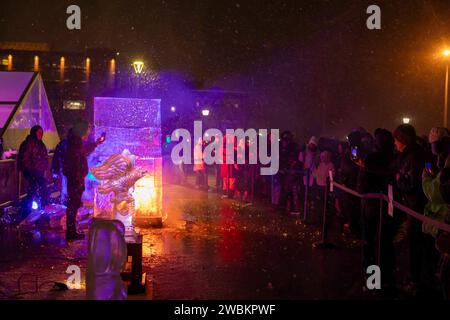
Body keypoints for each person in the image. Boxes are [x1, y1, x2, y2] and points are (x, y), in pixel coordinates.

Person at [358, 129, 397, 290]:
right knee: (385, 243)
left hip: (372, 205)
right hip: (388, 206)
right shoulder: (393, 158)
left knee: (370, 243)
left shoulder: (371, 159)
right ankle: (386, 278)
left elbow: (362, 185)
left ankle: (373, 281)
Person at [393, 124, 427, 294]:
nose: (395, 143)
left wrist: (399, 179)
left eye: (396, 139)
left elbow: (413, 185)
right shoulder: (411, 154)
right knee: (414, 244)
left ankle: (415, 281)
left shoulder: (413, 156)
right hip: (412, 206)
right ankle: (414, 277)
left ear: (403, 139)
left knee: (415, 244)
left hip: (415, 206)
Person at [63, 120, 105, 241]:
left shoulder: (76, 143)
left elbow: (83, 152)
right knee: (73, 205)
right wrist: (77, 178)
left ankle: (71, 231)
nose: (89, 133)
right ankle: (70, 232)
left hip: (76, 179)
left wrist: (96, 143)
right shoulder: (75, 144)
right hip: (75, 180)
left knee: (74, 205)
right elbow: (73, 163)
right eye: (87, 130)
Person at [18, 125, 49, 216]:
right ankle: (26, 212)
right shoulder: (29, 143)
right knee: (33, 192)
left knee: (39, 190)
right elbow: (24, 158)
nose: (40, 134)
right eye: (38, 132)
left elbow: (43, 157)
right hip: (32, 173)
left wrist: (43, 167)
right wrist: (30, 169)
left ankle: (42, 209)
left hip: (39, 172)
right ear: (34, 132)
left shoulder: (40, 143)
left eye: (41, 133)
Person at [52, 129, 73, 206]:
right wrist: (55, 169)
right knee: (66, 187)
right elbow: (57, 157)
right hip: (66, 169)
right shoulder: (66, 144)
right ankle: (65, 203)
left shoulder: (66, 143)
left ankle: (66, 203)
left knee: (66, 187)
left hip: (66, 169)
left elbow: (56, 157)